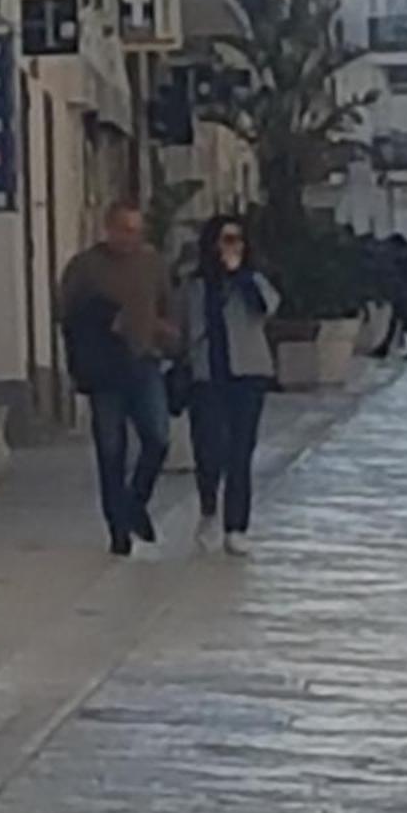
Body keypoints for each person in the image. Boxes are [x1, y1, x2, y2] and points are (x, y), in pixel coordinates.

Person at [59, 201, 177, 557]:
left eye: (137, 230)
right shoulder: (85, 267)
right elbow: (66, 315)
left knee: (157, 438)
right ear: (108, 229)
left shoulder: (153, 263)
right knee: (111, 451)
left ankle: (135, 502)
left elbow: (167, 306)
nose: (131, 237)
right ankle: (118, 529)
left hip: (144, 362)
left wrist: (165, 333)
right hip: (105, 369)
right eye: (125, 229)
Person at [178, 214, 279, 557]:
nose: (231, 246)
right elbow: (186, 326)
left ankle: (236, 526)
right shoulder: (195, 284)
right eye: (224, 239)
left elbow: (267, 309)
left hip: (248, 374)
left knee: (240, 452)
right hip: (208, 375)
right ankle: (208, 509)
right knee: (209, 451)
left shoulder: (254, 281)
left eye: (237, 239)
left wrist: (240, 276)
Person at [372, 234, 407, 360]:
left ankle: (387, 348)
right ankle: (386, 348)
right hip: (405, 292)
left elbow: (396, 275)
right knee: (399, 321)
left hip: (402, 293)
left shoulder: (401, 257)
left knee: (402, 321)